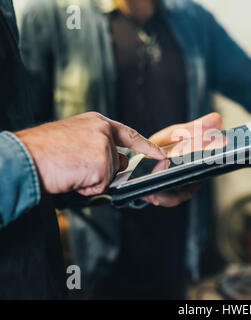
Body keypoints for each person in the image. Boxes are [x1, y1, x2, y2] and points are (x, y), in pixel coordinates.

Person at [19, 0, 251, 298]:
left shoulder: (193, 20)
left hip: (174, 233)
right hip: (92, 245)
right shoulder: (54, 16)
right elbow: (27, 132)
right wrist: (52, 221)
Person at [0, 0, 217, 298]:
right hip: (94, 253)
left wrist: (139, 168)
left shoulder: (192, 18)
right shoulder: (55, 15)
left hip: (165, 234)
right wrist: (31, 156)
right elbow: (35, 142)